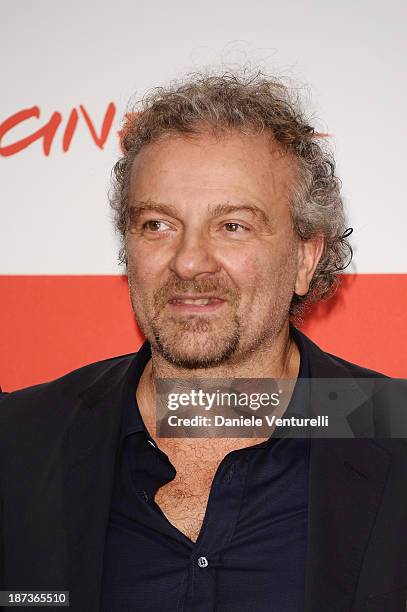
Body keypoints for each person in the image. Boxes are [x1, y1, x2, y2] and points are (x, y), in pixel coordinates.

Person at [0, 71, 406, 612]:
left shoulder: (394, 435)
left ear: (305, 258)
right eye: (158, 225)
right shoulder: (20, 442)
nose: (189, 261)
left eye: (233, 226)